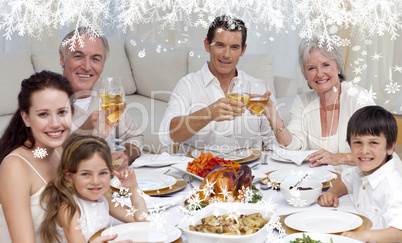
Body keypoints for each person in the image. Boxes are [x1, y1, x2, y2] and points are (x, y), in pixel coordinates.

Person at [159, 15, 278, 149]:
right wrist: (208, 113)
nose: (226, 55)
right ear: (207, 45)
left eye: (234, 47)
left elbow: (275, 144)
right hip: (198, 168)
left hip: (247, 168)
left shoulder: (259, 89)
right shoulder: (187, 85)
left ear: (242, 50)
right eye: (220, 45)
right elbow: (166, 136)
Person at [263, 36, 375, 170]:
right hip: (318, 181)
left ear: (338, 67)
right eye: (311, 68)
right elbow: (294, 147)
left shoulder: (358, 99)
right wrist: (272, 116)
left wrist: (338, 158)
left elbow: (375, 150)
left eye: (326, 65)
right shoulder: (302, 103)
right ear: (305, 74)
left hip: (356, 183)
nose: (320, 74)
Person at [0, 71, 74, 242]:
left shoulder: (59, 150)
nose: (55, 124)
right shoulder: (15, 167)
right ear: (26, 118)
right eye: (43, 114)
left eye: (62, 112)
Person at [59, 27, 143, 171]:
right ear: (62, 58)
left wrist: (126, 155)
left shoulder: (107, 95)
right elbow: (46, 158)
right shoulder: (46, 99)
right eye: (78, 56)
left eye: (95, 59)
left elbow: (135, 136)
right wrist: (85, 129)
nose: (86, 66)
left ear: (103, 64)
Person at [40, 135, 147, 243]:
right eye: (86, 174)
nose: (95, 181)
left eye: (102, 173)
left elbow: (141, 220)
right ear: (69, 175)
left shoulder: (104, 198)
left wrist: (133, 188)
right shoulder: (69, 209)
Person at [318, 106, 402, 242]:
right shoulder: (360, 171)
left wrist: (365, 236)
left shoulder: (393, 187)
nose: (364, 150)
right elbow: (345, 181)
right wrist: (333, 192)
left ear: (390, 147)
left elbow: (399, 233)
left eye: (373, 143)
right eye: (357, 142)